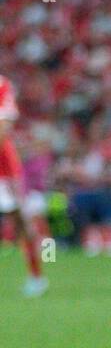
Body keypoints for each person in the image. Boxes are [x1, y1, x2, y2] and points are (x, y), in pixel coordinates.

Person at [0, 74, 48, 297]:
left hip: (5, 166)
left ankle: (36, 275)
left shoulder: (2, 85)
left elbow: (3, 130)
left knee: (22, 221)